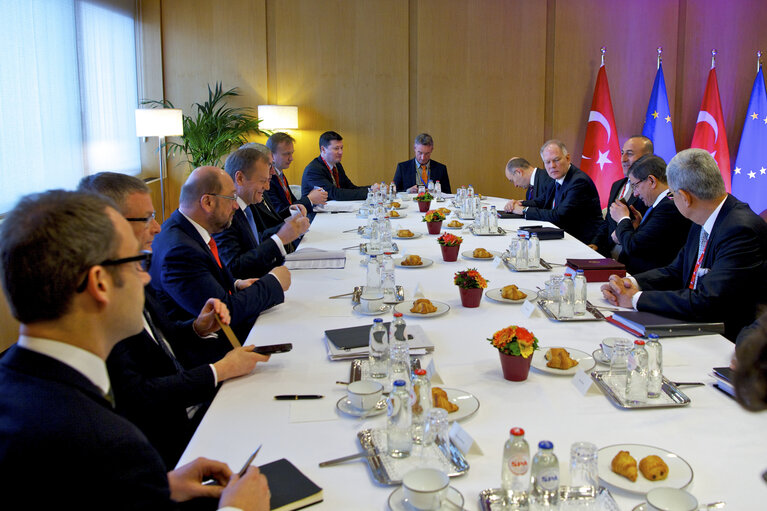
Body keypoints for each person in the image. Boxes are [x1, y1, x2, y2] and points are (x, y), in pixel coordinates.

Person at [0, 190, 269, 510]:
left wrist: (159, 487)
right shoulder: (110, 444)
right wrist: (236, 509)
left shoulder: (17, 381)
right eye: (138, 262)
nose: (145, 276)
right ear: (100, 284)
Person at [78, 172, 270, 467]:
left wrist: (197, 327)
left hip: (191, 402)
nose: (156, 227)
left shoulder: (135, 270)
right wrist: (218, 371)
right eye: (146, 218)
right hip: (171, 441)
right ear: (108, 224)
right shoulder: (99, 305)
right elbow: (138, 395)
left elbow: (162, 340)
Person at [601, 148, 767, 342]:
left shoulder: (740, 230)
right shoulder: (705, 216)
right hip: (694, 321)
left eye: (672, 194)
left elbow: (708, 300)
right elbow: (676, 270)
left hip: (723, 339)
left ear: (685, 197)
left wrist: (636, 299)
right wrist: (630, 284)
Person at [150, 166, 291, 342]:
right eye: (231, 197)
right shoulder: (179, 252)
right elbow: (224, 312)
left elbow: (206, 281)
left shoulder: (184, 229)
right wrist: (274, 282)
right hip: (214, 350)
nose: (235, 205)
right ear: (207, 202)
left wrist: (236, 284)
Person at [213, 147, 309, 279]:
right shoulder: (225, 213)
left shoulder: (247, 205)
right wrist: (280, 239)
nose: (268, 187)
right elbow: (235, 268)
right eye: (263, 181)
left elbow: (256, 241)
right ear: (240, 178)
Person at [608, 155, 691, 274]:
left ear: (651, 181)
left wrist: (623, 219)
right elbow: (647, 241)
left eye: (635, 186)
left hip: (648, 282)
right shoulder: (661, 203)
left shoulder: (669, 206)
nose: (635, 194)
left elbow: (634, 247)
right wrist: (638, 227)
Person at [511, 139, 603, 245]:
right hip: (564, 235)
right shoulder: (557, 178)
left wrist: (524, 210)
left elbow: (560, 215)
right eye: (547, 162)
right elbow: (541, 201)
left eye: (556, 160)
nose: (552, 166)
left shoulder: (578, 181)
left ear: (568, 158)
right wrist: (518, 203)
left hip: (585, 242)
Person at [589, 136, 653, 256]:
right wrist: (596, 243)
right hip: (607, 252)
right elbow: (608, 220)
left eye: (629, 154)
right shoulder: (617, 185)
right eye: (622, 153)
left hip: (632, 256)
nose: (623, 159)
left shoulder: (649, 189)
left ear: (647, 158)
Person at [301, 130, 378, 200]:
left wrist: (372, 189)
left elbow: (350, 188)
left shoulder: (337, 165)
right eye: (336, 148)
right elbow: (335, 194)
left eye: (341, 148)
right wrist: (370, 192)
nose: (341, 152)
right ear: (323, 149)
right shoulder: (314, 170)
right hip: (316, 214)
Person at [265, 132, 328, 217]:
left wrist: (312, 200)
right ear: (271, 155)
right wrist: (309, 199)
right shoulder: (267, 179)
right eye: (286, 154)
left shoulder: (279, 173)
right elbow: (280, 212)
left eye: (292, 153)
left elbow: (292, 202)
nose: (291, 158)